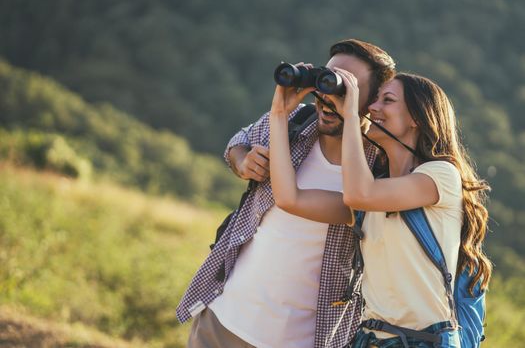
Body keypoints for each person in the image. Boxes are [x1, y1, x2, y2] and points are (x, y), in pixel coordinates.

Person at [176, 39, 396, 348]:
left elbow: (291, 199)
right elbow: (238, 142)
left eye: (345, 88)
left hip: (301, 339)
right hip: (223, 318)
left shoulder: (380, 170)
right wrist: (242, 161)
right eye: (327, 79)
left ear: (371, 101)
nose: (328, 96)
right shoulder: (296, 121)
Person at [269, 70, 492, 347]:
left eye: (387, 100)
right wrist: (279, 114)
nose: (372, 107)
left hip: (425, 340)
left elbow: (360, 193)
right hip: (371, 339)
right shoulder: (369, 199)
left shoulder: (442, 176)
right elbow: (289, 198)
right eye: (374, 100)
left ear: (417, 118)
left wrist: (351, 116)